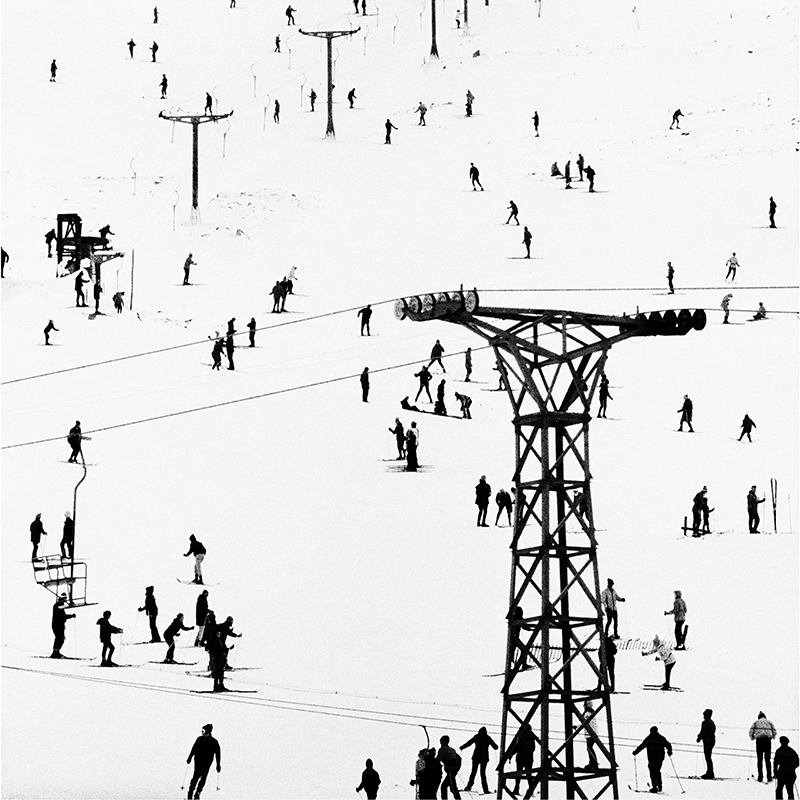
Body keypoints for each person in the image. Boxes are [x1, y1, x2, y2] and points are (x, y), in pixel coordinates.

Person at [633, 726, 673, 793]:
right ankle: (659, 786)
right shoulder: (661, 738)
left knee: (653, 771)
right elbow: (668, 745)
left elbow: (642, 746)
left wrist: (635, 752)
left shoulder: (649, 738)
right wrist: (669, 751)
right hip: (660, 757)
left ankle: (655, 787)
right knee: (657, 771)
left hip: (652, 757)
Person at [187, 724, 221, 799]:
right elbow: (194, 749)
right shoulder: (199, 739)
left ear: (209, 732)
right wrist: (190, 757)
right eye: (202, 732)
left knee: (203, 778)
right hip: (198, 761)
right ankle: (190, 792)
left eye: (205, 732)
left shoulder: (214, 742)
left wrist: (218, 764)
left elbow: (217, 753)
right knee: (195, 777)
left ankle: (198, 793)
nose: (203, 734)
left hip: (207, 763)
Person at [460, 727, 497, 794]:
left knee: (473, 772)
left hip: (476, 757)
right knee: (483, 773)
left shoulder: (477, 736)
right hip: (484, 758)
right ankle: (485, 789)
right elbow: (495, 747)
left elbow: (469, 743)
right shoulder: (487, 737)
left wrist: (462, 747)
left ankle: (469, 786)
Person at [504, 722, 535, 798]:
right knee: (529, 774)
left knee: (518, 773)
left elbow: (517, 747)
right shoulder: (531, 737)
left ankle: (516, 788)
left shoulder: (521, 736)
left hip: (520, 758)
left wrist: (511, 754)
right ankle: (531, 790)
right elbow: (533, 748)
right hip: (529, 758)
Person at [750, 712, 778, 783]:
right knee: (767, 759)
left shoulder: (756, 722)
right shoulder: (769, 722)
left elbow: (750, 731)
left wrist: (752, 737)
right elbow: (774, 731)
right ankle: (769, 777)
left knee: (759, 759)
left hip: (759, 741)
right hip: (767, 741)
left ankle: (760, 777)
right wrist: (773, 737)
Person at [696, 708, 716, 779]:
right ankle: (710, 772)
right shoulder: (712, 722)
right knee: (708, 757)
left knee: (708, 757)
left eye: (704, 714)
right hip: (712, 741)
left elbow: (703, 732)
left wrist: (699, 738)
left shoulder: (705, 722)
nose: (703, 715)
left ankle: (710, 773)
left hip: (707, 741)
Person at [584, 700, 599, 769]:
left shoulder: (587, 713)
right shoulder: (592, 713)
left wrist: (577, 727)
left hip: (590, 734)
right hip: (593, 733)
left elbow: (584, 723)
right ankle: (593, 763)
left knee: (589, 748)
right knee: (590, 748)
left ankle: (593, 763)